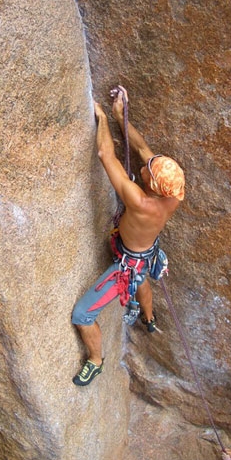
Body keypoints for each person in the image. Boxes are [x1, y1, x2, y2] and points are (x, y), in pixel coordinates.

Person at [71, 85, 185, 386]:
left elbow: (104, 154)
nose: (146, 164)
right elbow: (143, 149)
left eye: (148, 169)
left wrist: (103, 119)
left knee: (82, 315)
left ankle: (95, 360)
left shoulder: (139, 201)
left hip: (127, 262)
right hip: (145, 253)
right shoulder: (172, 194)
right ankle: (149, 319)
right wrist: (122, 113)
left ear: (151, 184)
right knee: (143, 278)